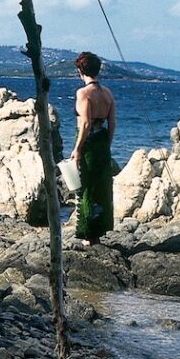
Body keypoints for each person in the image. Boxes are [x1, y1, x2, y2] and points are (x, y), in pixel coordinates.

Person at [70, 51, 115, 245]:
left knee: (86, 187)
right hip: (103, 142)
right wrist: (108, 144)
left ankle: (88, 233)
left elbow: (86, 124)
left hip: (88, 144)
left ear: (81, 70)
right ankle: (99, 231)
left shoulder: (83, 93)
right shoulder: (107, 93)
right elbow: (112, 123)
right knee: (102, 187)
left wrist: (78, 149)